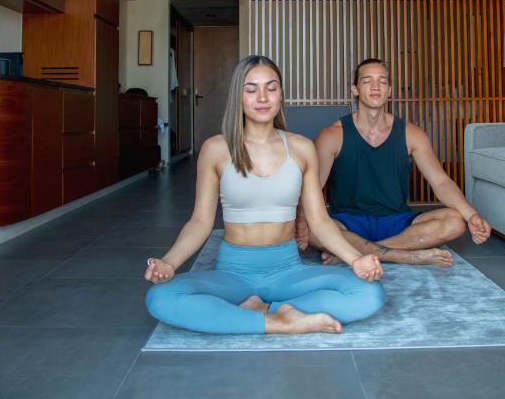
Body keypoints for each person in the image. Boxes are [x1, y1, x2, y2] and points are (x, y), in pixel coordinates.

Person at [145, 55, 385, 335]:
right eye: (251, 89)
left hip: (287, 270)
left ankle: (258, 311)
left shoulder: (302, 148)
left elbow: (320, 222)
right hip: (232, 272)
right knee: (160, 297)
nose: (262, 97)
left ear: (280, 93)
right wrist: (169, 263)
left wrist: (355, 259)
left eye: (271, 88)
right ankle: (280, 321)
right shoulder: (216, 149)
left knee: (369, 294)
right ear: (239, 96)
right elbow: (200, 222)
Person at [296, 58, 492, 268]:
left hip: (397, 221)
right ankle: (402, 255)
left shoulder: (411, 133)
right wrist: (300, 221)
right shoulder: (332, 135)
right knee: (309, 228)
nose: (375, 86)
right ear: (355, 89)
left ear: (389, 90)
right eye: (367, 81)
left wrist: (471, 215)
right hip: (347, 221)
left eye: (382, 81)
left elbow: (441, 182)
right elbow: (312, 188)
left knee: (455, 222)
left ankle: (355, 252)